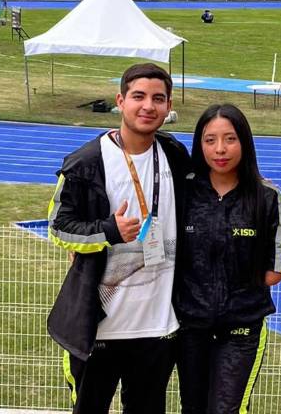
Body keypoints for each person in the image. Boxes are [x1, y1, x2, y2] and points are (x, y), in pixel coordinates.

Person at [47, 63, 190, 414]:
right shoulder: (86, 162)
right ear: (120, 101)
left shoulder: (174, 154)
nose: (148, 106)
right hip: (99, 331)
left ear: (168, 106)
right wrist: (108, 231)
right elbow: (58, 226)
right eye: (138, 96)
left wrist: (253, 182)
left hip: (157, 328)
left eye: (158, 99)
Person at [174, 103, 281, 414]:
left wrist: (234, 287)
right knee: (192, 408)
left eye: (230, 138)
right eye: (210, 140)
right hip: (191, 327)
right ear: (199, 144)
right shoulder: (184, 191)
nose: (220, 149)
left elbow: (274, 273)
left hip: (241, 330)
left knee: (227, 409)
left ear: (245, 142)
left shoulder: (267, 198)